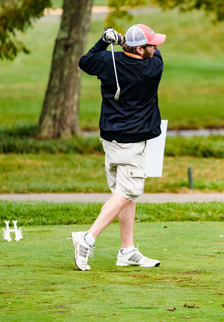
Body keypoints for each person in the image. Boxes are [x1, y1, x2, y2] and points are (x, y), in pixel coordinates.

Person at [71, 24, 166, 271]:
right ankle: (87, 238)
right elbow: (150, 54)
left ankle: (127, 250)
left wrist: (105, 41)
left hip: (110, 138)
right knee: (127, 193)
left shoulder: (106, 61)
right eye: (152, 45)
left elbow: (85, 61)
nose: (156, 48)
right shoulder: (153, 67)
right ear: (141, 49)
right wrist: (125, 40)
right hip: (132, 142)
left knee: (125, 195)